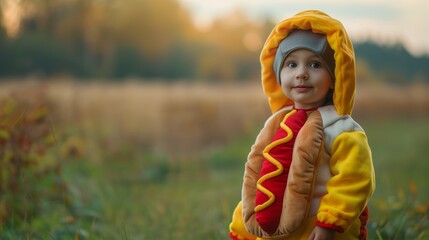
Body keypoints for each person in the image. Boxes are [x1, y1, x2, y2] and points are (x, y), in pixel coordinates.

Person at [228, 10, 375, 240]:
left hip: (319, 231)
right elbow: (260, 177)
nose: (301, 74)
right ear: (278, 73)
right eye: (292, 64)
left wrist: (329, 223)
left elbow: (354, 180)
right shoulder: (275, 124)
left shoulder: (342, 130)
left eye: (315, 65)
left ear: (335, 76)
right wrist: (242, 226)